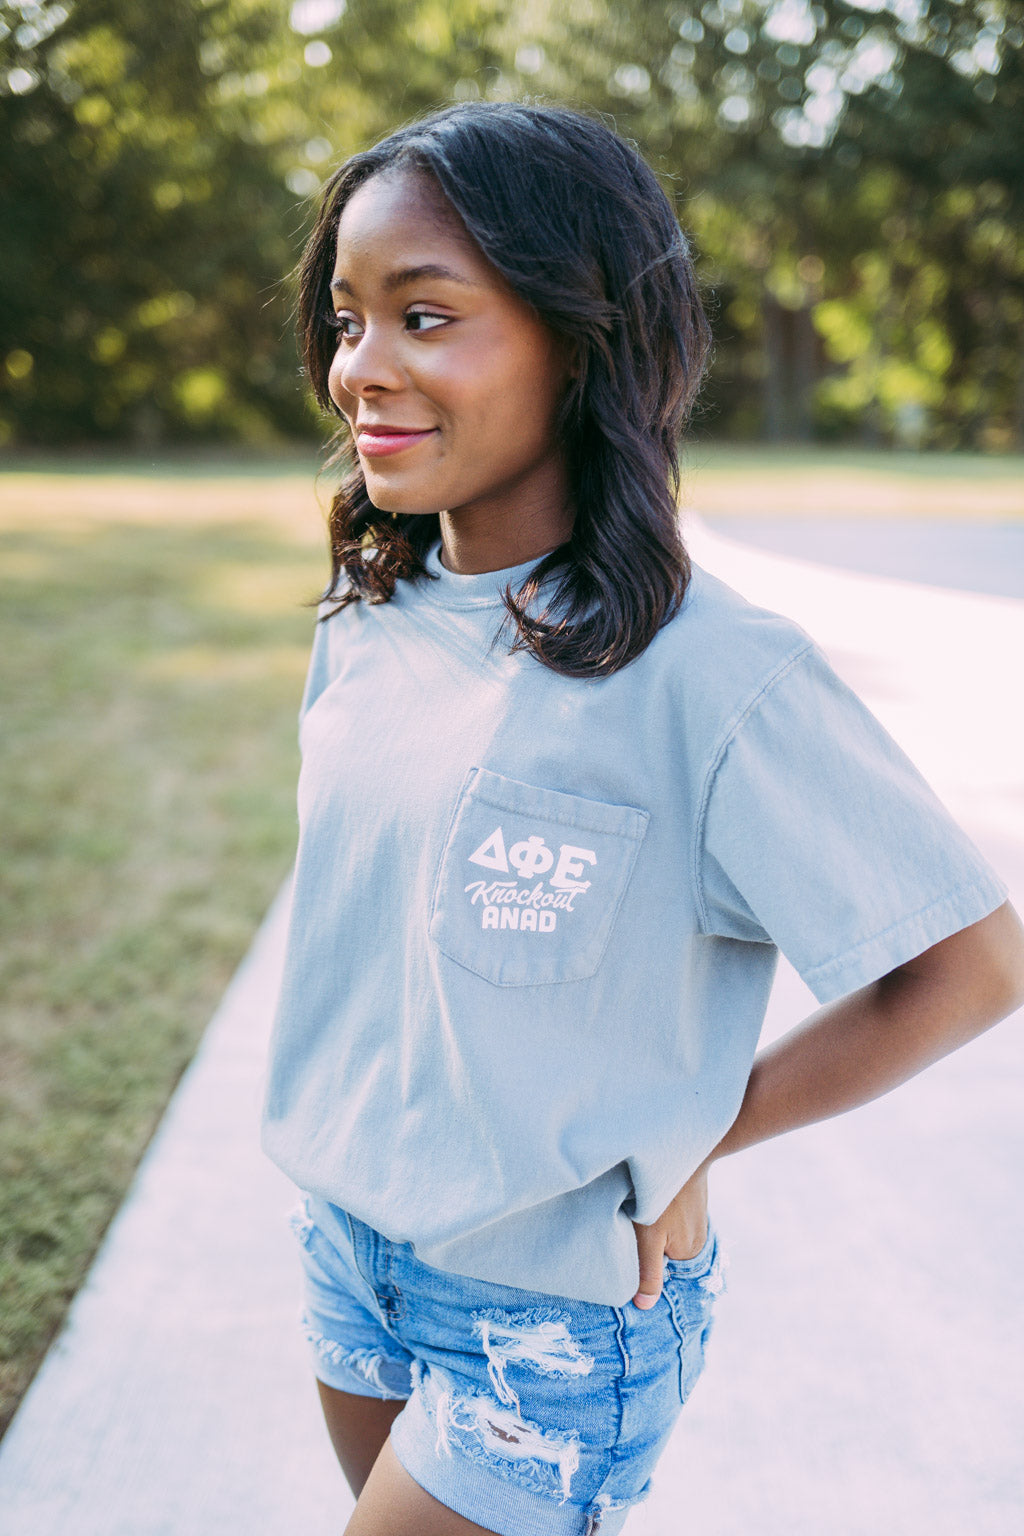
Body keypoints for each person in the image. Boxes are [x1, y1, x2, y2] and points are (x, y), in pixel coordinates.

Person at [261, 101, 1024, 1536]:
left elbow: (970, 966)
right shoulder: (365, 615)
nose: (361, 365)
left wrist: (704, 1134)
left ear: (584, 338)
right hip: (346, 1254)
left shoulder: (714, 674)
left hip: (549, 1324)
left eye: (426, 316)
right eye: (348, 320)